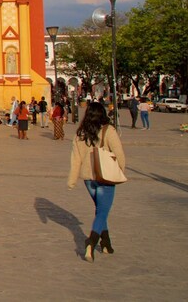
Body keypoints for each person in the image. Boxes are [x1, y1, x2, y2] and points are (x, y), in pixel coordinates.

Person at [68, 101, 126, 261]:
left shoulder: (80, 133)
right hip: (105, 177)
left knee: (100, 209)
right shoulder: (108, 131)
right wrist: (120, 171)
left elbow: (75, 159)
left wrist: (72, 180)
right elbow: (119, 153)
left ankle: (106, 243)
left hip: (88, 179)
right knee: (102, 211)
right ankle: (91, 242)